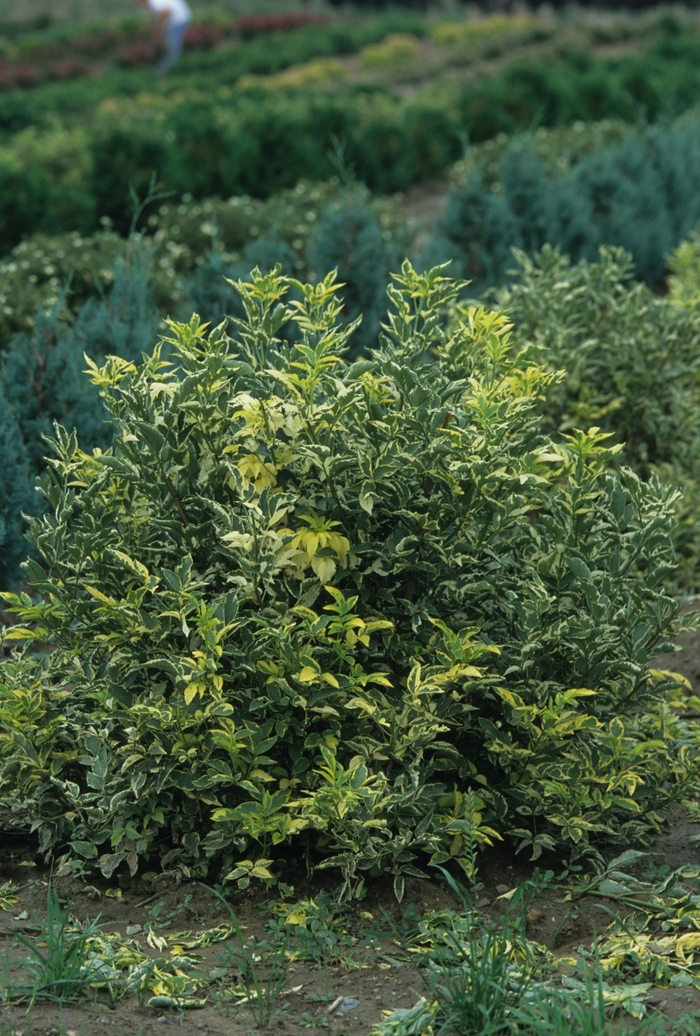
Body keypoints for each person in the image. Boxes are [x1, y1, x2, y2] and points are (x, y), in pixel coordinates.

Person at [135, 0, 192, 73]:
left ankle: (168, 70)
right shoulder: (153, 3)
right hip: (177, 20)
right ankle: (165, 68)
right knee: (170, 47)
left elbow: (166, 12)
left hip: (177, 21)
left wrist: (158, 30)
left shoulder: (155, 2)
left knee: (173, 49)